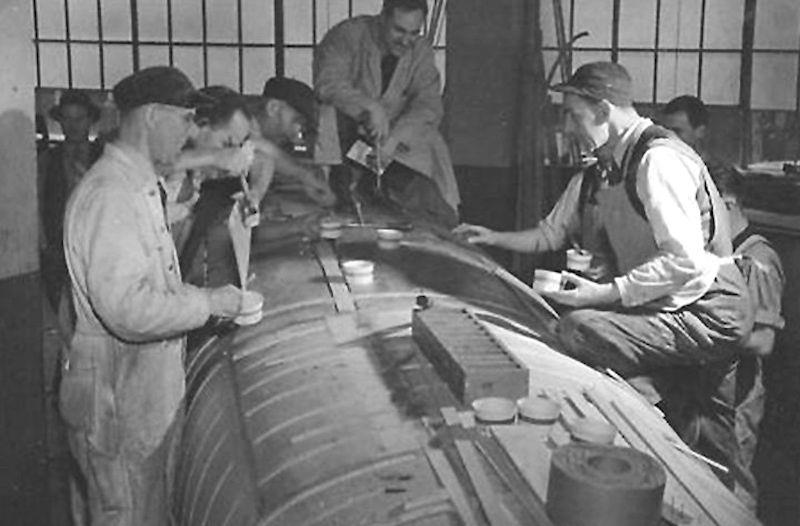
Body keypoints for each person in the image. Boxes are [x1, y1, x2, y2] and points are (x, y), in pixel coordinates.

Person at [60, 66, 243, 526]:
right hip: (115, 397)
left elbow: (156, 283)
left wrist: (206, 299)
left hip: (135, 392)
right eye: (183, 118)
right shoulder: (111, 194)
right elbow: (128, 309)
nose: (188, 131)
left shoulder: (136, 185)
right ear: (152, 118)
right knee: (125, 512)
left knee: (144, 509)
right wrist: (210, 304)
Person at [682, 169, 784, 508]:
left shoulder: (758, 259)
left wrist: (703, 333)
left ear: (726, 203)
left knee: (734, 483)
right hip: (709, 388)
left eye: (701, 209)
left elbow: (764, 341)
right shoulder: (719, 252)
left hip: (738, 395)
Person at [314, 0, 460, 227]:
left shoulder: (420, 50)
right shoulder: (348, 35)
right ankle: (342, 202)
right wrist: (369, 106)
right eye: (399, 30)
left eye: (414, 33)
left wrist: (396, 137)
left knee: (431, 202)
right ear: (382, 18)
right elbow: (327, 83)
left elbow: (428, 104)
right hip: (347, 136)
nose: (406, 40)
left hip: (396, 143)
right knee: (327, 119)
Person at [453, 141, 618, 283]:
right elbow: (548, 236)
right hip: (589, 293)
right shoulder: (584, 182)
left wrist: (616, 269)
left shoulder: (640, 177)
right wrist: (492, 237)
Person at [38, 89, 104, 336]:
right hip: (58, 249)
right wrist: (45, 246)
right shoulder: (47, 160)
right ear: (60, 122)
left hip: (97, 248)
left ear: (90, 120)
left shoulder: (104, 158)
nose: (73, 125)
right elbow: (38, 202)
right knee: (64, 320)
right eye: (67, 118)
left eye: (79, 118)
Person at [660, 95, 731, 183]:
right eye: (664, 130)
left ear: (700, 132)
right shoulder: (659, 165)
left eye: (677, 131)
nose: (668, 137)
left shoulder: (717, 174)